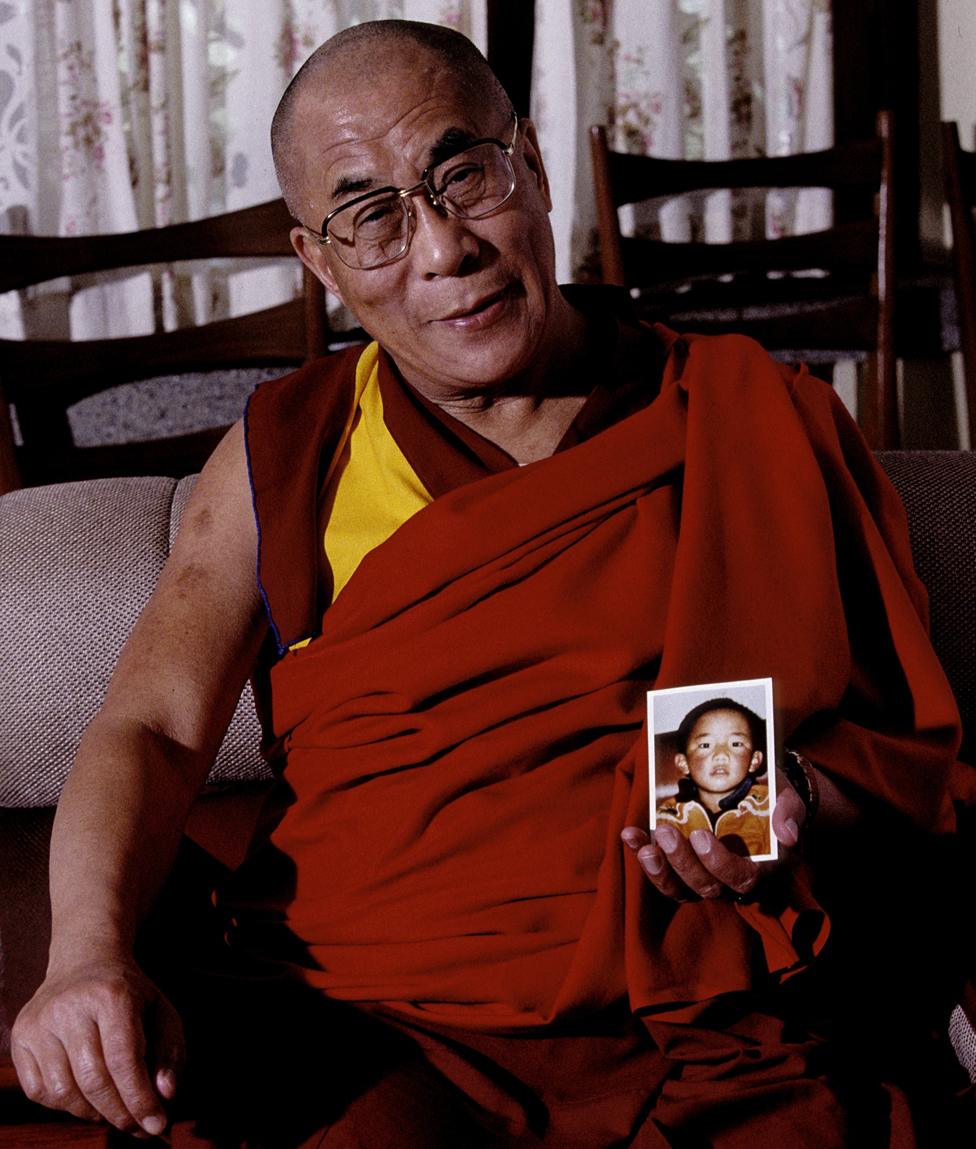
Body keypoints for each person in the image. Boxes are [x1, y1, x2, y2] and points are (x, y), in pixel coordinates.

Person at [10, 18, 974, 1148]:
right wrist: (83, 954)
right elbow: (156, 730)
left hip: (710, 1019)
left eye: (460, 175)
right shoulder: (289, 450)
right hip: (366, 1018)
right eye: (369, 215)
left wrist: (796, 793)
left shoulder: (749, 417)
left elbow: (907, 760)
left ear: (530, 165)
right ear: (316, 262)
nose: (440, 249)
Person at [655, 699, 771, 858]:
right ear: (684, 763)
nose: (721, 755)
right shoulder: (668, 816)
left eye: (736, 744)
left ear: (754, 760)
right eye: (705, 745)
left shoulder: (768, 806)